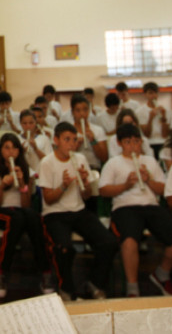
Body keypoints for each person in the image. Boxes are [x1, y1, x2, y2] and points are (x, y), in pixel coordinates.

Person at [99, 124, 172, 297]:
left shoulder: (150, 161)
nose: (133, 146)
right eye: (128, 142)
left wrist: (148, 181)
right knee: (130, 241)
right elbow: (103, 191)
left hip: (151, 206)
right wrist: (125, 185)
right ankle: (133, 288)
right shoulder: (113, 163)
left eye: (136, 141)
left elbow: (163, 190)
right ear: (119, 143)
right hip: (125, 207)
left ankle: (162, 274)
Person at [39, 123, 118, 301]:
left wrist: (85, 182)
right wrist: (63, 186)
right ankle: (66, 289)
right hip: (55, 213)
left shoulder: (80, 159)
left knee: (109, 242)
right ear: (56, 140)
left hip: (79, 210)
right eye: (67, 140)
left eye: (74, 140)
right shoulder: (47, 162)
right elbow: (48, 199)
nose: (71, 144)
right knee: (64, 248)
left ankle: (95, 283)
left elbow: (87, 195)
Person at [0, 134, 52, 298]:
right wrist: (2, 185)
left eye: (14, 148)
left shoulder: (26, 169)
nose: (11, 152)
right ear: (0, 150)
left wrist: (22, 185)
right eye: (6, 148)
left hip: (19, 213)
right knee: (18, 218)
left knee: (32, 216)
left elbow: (26, 205)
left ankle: (45, 271)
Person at [70, 94, 108, 169]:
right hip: (74, 168)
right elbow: (64, 156)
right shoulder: (68, 131)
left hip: (94, 168)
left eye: (85, 110)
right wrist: (75, 145)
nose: (82, 114)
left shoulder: (98, 130)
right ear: (73, 112)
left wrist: (93, 141)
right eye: (78, 110)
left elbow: (104, 158)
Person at [135, 82, 168, 159]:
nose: (154, 96)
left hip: (163, 142)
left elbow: (165, 134)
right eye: (150, 93)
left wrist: (164, 118)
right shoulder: (140, 111)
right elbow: (147, 134)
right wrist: (150, 118)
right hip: (149, 143)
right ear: (145, 94)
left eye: (155, 93)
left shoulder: (164, 110)